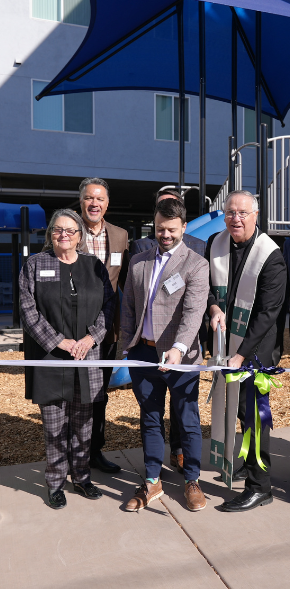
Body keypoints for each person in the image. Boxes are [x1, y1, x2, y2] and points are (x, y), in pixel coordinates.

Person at [19, 209, 115, 509]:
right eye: (58, 229)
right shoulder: (35, 265)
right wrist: (59, 341)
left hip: (86, 357)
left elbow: (109, 306)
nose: (64, 235)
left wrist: (90, 339)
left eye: (70, 231)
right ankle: (56, 482)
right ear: (51, 233)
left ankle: (82, 478)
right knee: (53, 425)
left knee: (83, 424)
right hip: (50, 358)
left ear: (79, 236)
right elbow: (28, 311)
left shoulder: (94, 266)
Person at [121, 198, 210, 512]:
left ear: (184, 227)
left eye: (172, 230)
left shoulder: (196, 264)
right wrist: (127, 347)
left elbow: (193, 314)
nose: (165, 235)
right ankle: (153, 479)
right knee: (151, 418)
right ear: (154, 226)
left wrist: (178, 349)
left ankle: (192, 480)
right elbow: (129, 309)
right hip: (143, 354)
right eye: (160, 229)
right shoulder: (138, 262)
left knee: (187, 420)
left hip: (181, 358)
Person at [207, 190, 287, 512]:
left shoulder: (271, 255)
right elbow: (211, 289)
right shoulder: (216, 243)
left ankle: (260, 486)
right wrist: (214, 308)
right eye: (229, 212)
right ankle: (248, 464)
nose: (235, 219)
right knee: (238, 412)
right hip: (227, 345)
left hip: (255, 352)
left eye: (242, 213)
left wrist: (240, 356)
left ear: (256, 216)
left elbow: (269, 314)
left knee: (255, 418)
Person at [78, 177, 129, 475]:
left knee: (100, 394)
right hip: (74, 332)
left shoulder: (121, 236)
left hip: (108, 331)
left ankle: (95, 450)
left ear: (107, 203)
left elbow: (126, 285)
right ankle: (75, 453)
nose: (94, 203)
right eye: (89, 198)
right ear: (81, 201)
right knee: (75, 394)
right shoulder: (68, 231)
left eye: (100, 199)